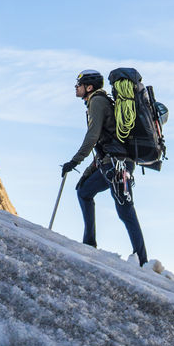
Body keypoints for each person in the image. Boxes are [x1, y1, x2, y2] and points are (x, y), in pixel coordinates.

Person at [61, 69, 148, 266]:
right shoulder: (98, 101)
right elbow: (103, 141)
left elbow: (92, 137)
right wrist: (88, 169)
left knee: (125, 210)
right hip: (111, 163)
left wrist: (74, 161)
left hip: (117, 164)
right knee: (83, 191)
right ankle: (89, 243)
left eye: (79, 84)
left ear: (89, 87)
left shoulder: (97, 102)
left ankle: (143, 262)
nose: (76, 87)